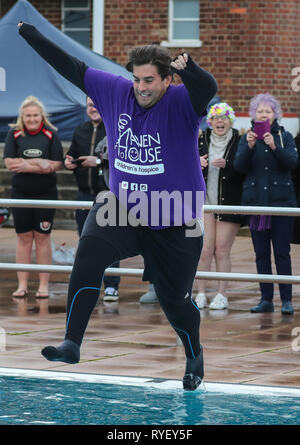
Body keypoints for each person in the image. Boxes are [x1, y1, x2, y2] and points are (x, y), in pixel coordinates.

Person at [18, 22, 217, 390]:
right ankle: (72, 342)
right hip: (123, 206)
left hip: (175, 215)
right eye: (137, 80)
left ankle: (194, 354)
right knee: (89, 251)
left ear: (166, 80)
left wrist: (191, 70)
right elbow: (72, 67)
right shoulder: (115, 91)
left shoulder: (181, 101)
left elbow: (208, 90)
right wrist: (30, 35)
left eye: (150, 81)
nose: (142, 88)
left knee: (176, 302)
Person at [234, 93, 298, 315]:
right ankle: (266, 298)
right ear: (254, 115)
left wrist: (274, 147)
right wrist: (250, 147)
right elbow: (239, 167)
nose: (263, 115)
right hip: (256, 204)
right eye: (259, 111)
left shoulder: (284, 136)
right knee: (261, 253)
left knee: (282, 252)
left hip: (280, 203)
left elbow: (292, 163)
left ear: (275, 115)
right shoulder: (247, 138)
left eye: (267, 111)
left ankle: (287, 300)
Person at [3, 95, 63, 298]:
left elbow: (55, 165)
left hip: (45, 194)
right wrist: (39, 163)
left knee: (43, 237)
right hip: (20, 194)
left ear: (42, 116)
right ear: (22, 116)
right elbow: (10, 163)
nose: (32, 119)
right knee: (24, 238)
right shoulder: (15, 134)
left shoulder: (50, 134)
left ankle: (43, 285)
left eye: (35, 115)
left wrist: (28, 164)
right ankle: (22, 285)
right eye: (28, 116)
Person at [64, 96, 120, 302]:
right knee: (85, 240)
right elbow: (72, 154)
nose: (93, 108)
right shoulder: (80, 130)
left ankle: (112, 285)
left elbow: (118, 158)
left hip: (107, 193)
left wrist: (97, 161)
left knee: (110, 241)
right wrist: (69, 162)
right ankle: (88, 284)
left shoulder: (113, 129)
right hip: (84, 192)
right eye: (89, 105)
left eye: (96, 104)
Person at [195, 102, 245, 310]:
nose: (220, 121)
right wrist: (197, 162)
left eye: (224, 117)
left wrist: (229, 166)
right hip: (205, 202)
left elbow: (244, 169)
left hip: (229, 202)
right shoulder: (201, 139)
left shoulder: (239, 141)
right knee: (205, 250)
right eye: (216, 118)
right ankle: (200, 293)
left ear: (230, 120)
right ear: (210, 122)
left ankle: (221, 294)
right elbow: (185, 163)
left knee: (222, 249)